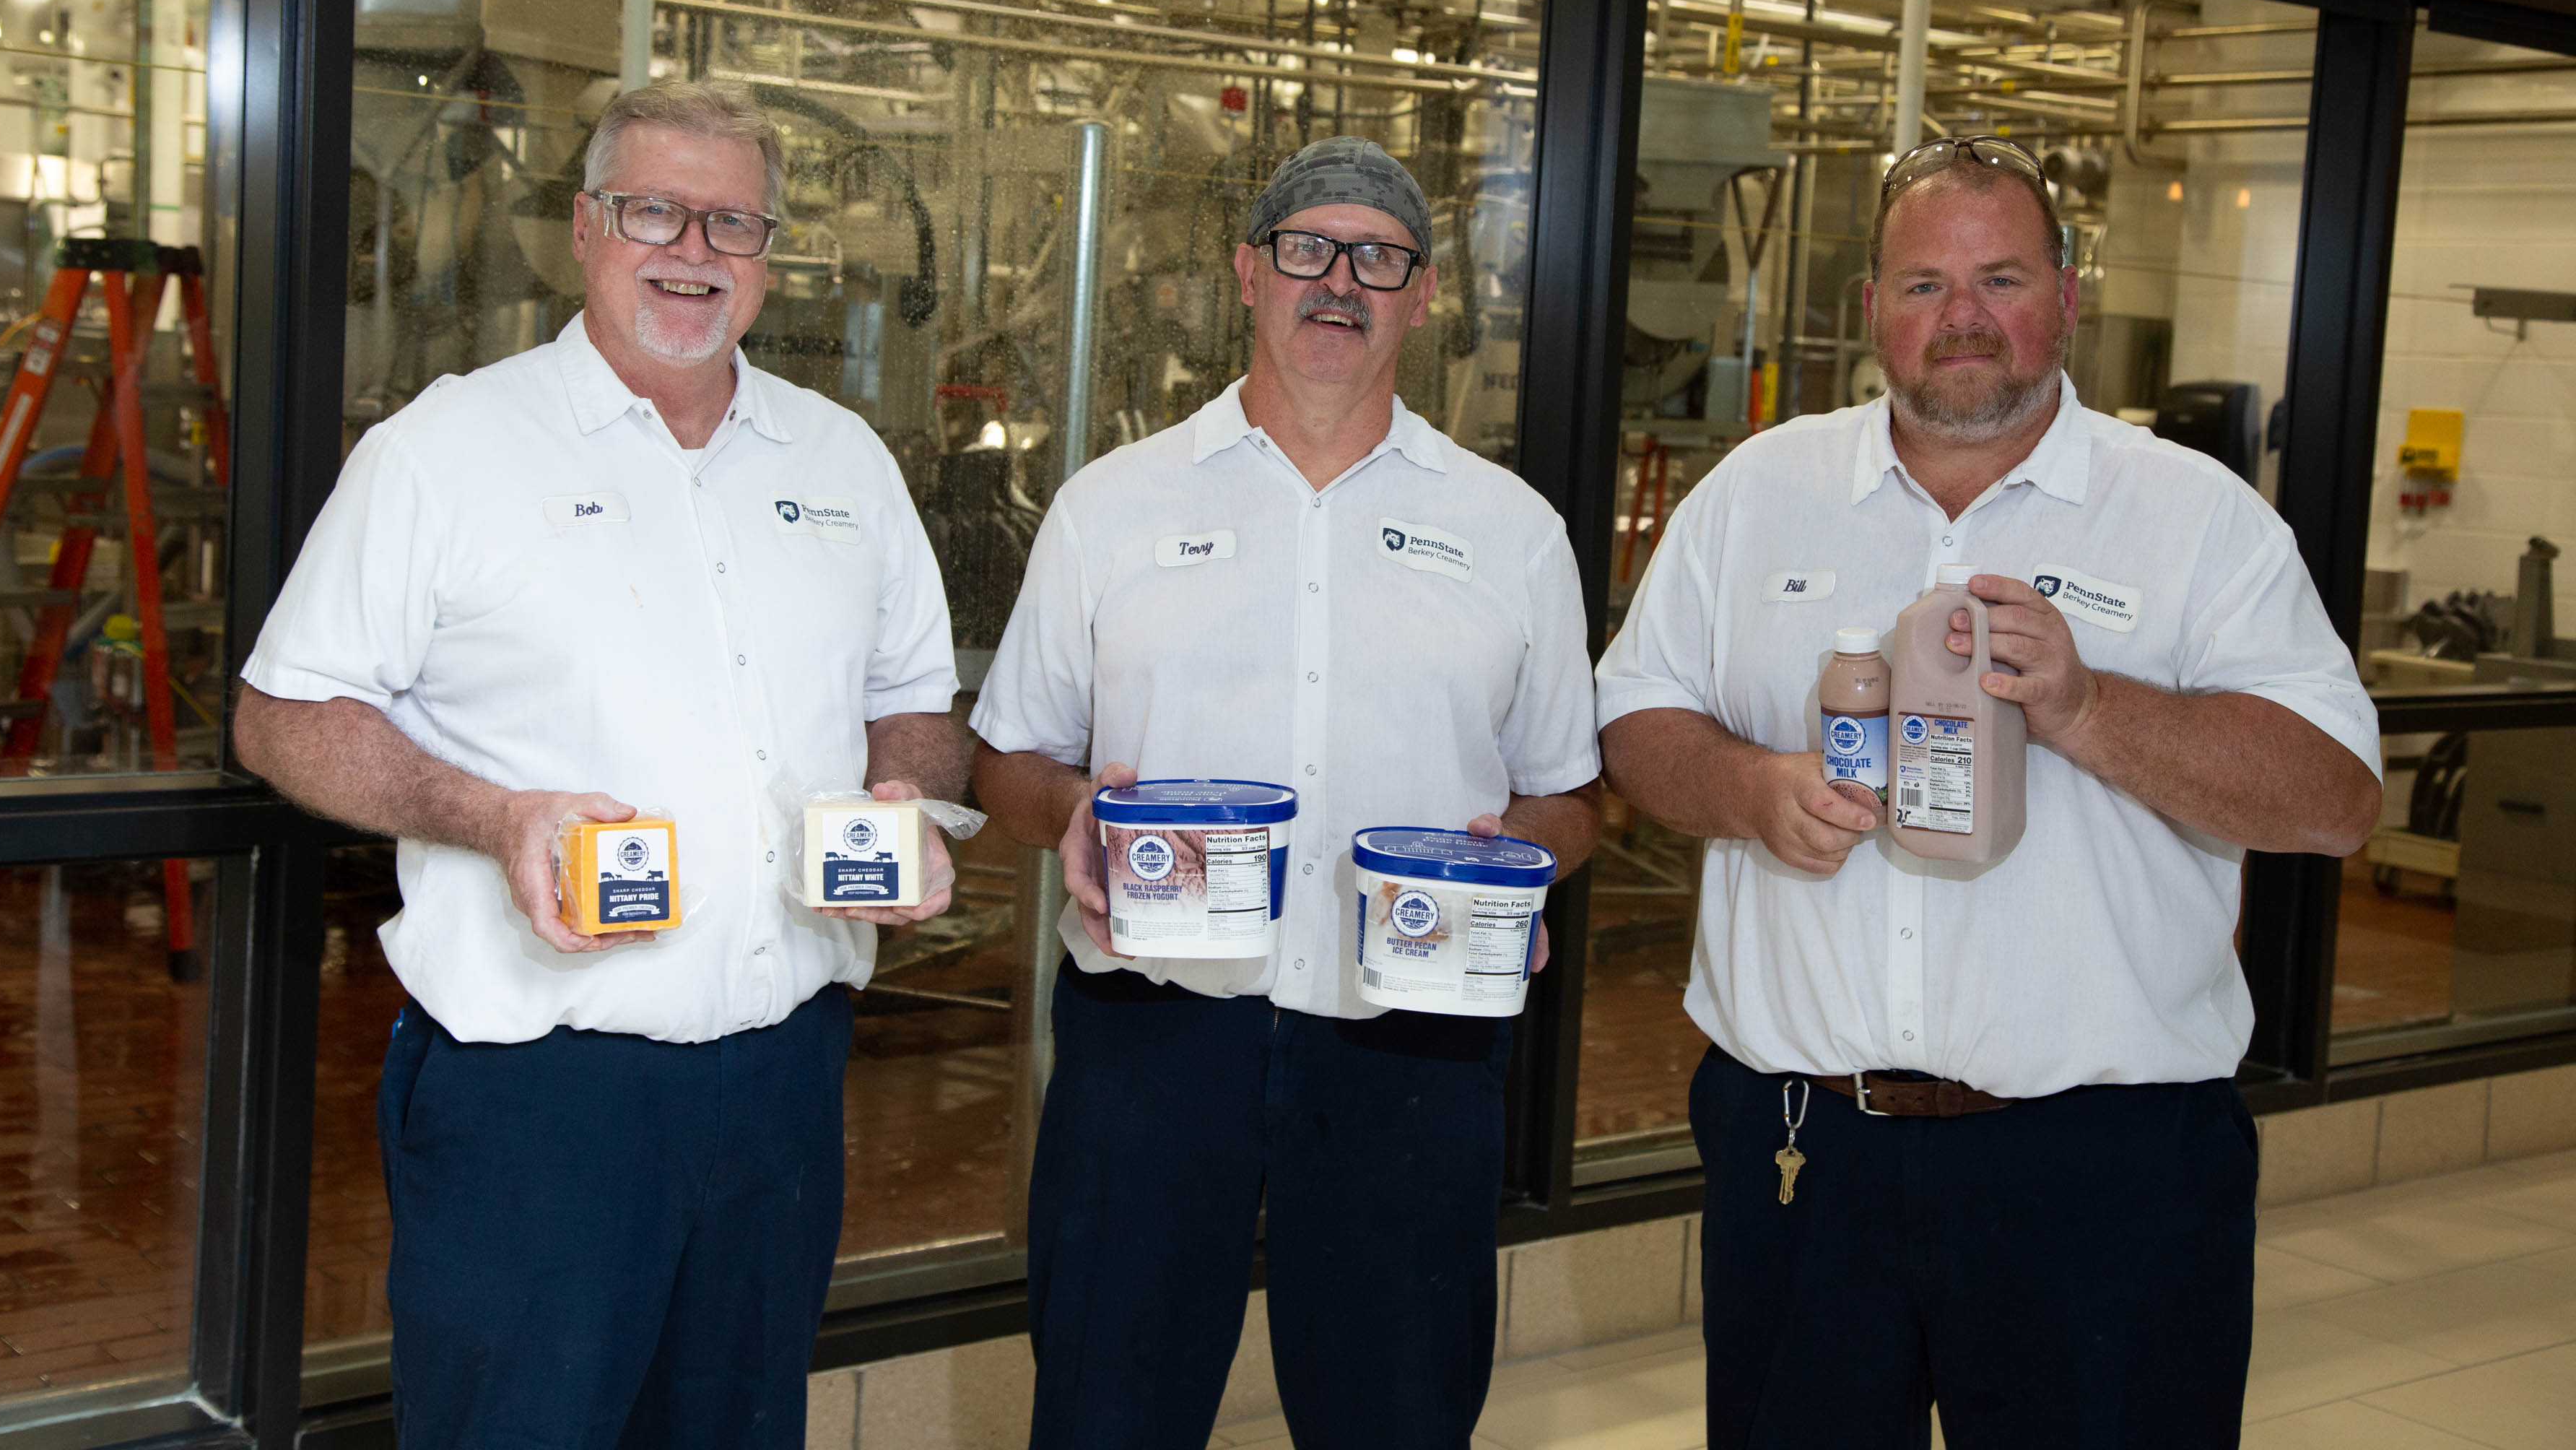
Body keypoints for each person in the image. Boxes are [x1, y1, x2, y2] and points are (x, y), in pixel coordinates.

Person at [1596, 136, 2382, 1449]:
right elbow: (1634, 721)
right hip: (1803, 1148)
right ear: (1872, 312)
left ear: (2066, 296)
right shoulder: (1755, 498)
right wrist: (1750, 788)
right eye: (1922, 285)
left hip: (2103, 1167)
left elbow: (2334, 799)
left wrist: (2087, 706)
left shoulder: (2197, 520)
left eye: (2001, 277)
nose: (1961, 317)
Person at [233, 78, 965, 1449]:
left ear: (768, 254)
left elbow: (914, 698)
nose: (693, 251)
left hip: (782, 1082)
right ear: (585, 227)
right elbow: (284, 713)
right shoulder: (447, 452)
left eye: (733, 223)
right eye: (654, 211)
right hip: (541, 1095)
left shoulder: (842, 459)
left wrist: (905, 799)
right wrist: (488, 813)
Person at [970, 137, 1601, 1450]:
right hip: (1152, 1036)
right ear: (1248, 273)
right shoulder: (1111, 507)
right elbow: (1006, 757)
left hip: (1406, 1040)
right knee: (1107, 1410)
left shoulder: (1513, 532)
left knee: (1398, 1413)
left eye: (1380, 257)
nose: (1341, 282)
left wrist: (1518, 864)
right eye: (1308, 248)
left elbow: (1575, 798)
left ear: (1422, 297)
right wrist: (1072, 815)